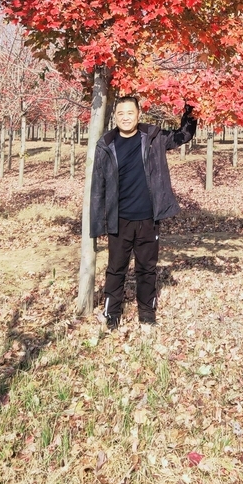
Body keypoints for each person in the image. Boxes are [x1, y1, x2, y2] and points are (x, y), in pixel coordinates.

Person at [90, 96, 197, 330]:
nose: (125, 117)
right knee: (116, 268)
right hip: (120, 219)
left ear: (139, 114)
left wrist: (191, 107)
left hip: (149, 218)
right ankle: (112, 314)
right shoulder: (106, 144)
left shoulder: (153, 138)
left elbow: (184, 135)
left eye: (130, 112)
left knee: (146, 268)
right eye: (120, 113)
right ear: (114, 116)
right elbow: (98, 185)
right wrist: (98, 223)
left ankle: (147, 313)